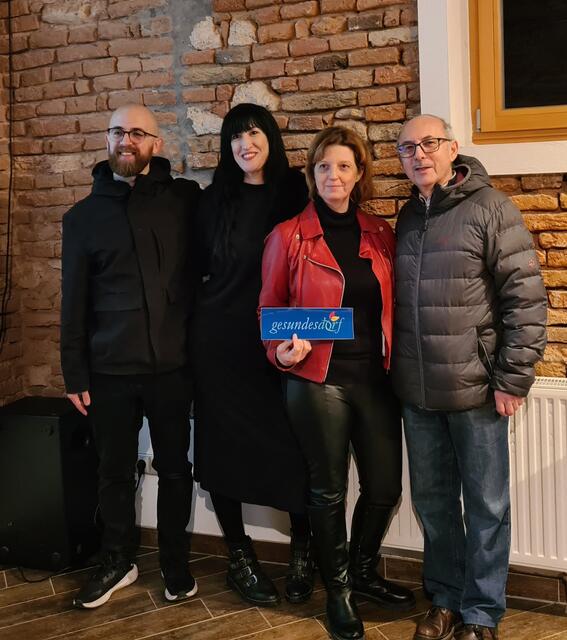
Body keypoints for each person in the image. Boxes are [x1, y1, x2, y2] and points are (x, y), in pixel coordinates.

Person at [392, 114, 547, 640]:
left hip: (478, 390)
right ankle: (446, 601)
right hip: (418, 392)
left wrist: (512, 378)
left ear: (453, 148)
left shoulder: (491, 208)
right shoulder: (406, 216)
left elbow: (525, 299)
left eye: (429, 143)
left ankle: (481, 613)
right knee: (433, 505)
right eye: (407, 148)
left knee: (486, 506)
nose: (419, 155)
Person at [259, 126, 416, 640]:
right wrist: (280, 349)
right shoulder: (288, 236)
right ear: (312, 173)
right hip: (316, 379)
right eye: (324, 166)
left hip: (375, 379)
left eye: (344, 165)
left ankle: (363, 571)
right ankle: (339, 590)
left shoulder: (380, 233)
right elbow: (269, 309)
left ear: (359, 173)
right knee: (328, 492)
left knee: (385, 488)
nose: (334, 175)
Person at [60, 104, 201, 609]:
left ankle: (175, 563)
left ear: (156, 144)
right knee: (113, 471)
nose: (126, 140)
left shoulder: (184, 200)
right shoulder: (81, 218)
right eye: (118, 131)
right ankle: (117, 560)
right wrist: (73, 372)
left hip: (172, 367)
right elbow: (73, 301)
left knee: (176, 469)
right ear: (107, 139)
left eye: (138, 133)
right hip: (108, 371)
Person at [191, 103, 313, 607]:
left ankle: (305, 549)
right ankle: (239, 556)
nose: (245, 143)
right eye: (235, 136)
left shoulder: (295, 192)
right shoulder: (211, 199)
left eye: (254, 132)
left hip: (280, 342)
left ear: (271, 138)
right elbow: (194, 270)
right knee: (222, 451)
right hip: (219, 343)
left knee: (298, 447)